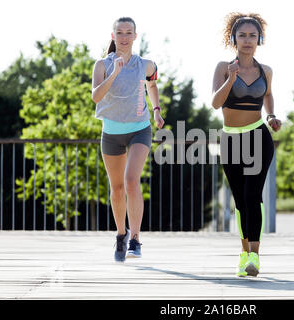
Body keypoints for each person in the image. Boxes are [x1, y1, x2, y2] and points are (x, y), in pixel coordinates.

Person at [211, 13, 282, 277]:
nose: (248, 40)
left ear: (259, 38)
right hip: (230, 139)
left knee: (253, 196)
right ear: (234, 38)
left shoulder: (266, 71)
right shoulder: (223, 67)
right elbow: (216, 103)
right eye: (242, 35)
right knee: (240, 201)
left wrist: (272, 115)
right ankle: (244, 255)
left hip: (258, 137)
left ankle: (255, 255)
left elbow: (269, 94)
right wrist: (231, 78)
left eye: (253, 35)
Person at [91, 17, 164, 262]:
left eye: (128, 32)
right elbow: (96, 96)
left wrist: (156, 110)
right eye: (119, 32)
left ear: (135, 36)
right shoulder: (102, 65)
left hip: (139, 130)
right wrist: (114, 73)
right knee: (117, 188)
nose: (124, 36)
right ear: (113, 36)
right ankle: (120, 234)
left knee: (131, 181)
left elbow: (152, 85)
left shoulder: (146, 65)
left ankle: (135, 239)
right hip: (111, 133)